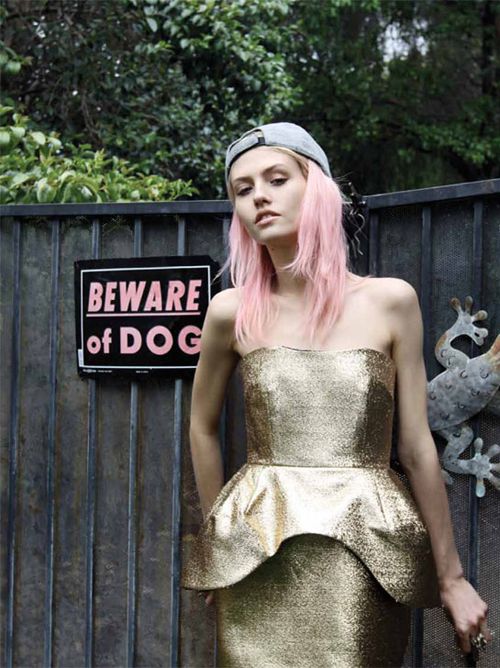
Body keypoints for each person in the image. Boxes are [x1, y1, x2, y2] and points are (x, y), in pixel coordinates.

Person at [181, 122, 493, 666]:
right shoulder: (230, 311)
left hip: (363, 548)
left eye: (276, 179)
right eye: (243, 189)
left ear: (318, 188)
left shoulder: (390, 302)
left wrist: (453, 578)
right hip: (258, 552)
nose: (259, 197)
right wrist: (219, 544)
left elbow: (418, 446)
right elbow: (202, 428)